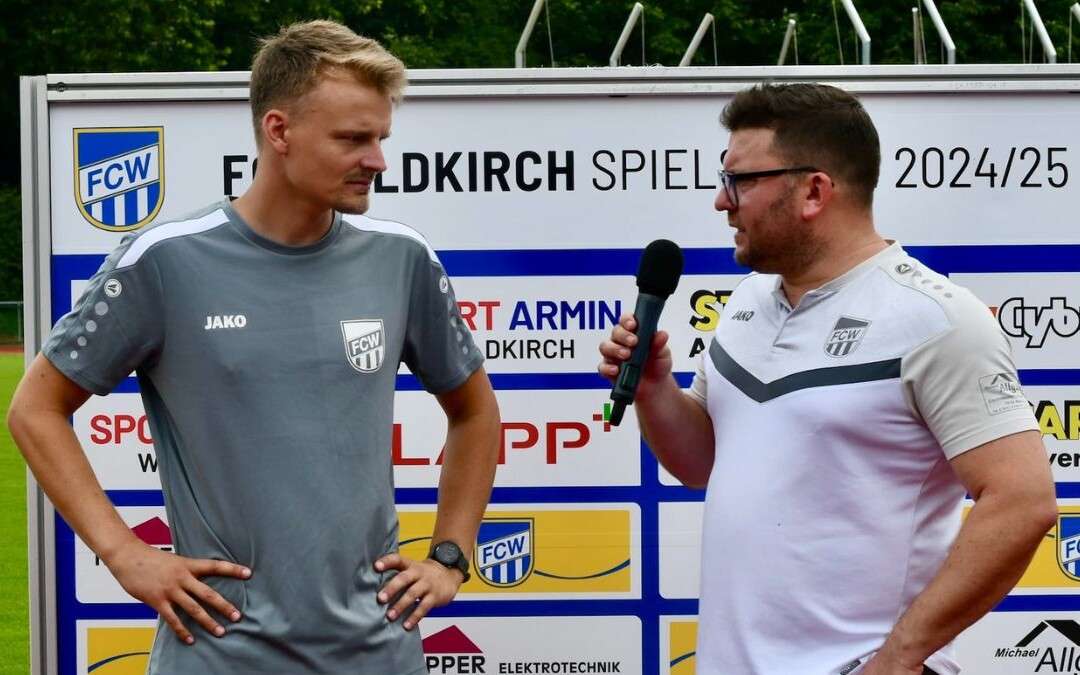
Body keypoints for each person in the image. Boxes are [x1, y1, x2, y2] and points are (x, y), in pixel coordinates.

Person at [8, 20, 500, 674]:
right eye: (354, 138)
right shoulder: (165, 259)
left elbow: (475, 411)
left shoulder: (402, 259)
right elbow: (34, 408)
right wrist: (125, 553)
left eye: (381, 137)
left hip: (378, 653)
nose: (378, 159)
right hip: (219, 654)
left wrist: (448, 556)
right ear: (278, 131)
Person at [598, 83, 1056, 675]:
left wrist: (899, 658)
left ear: (814, 190)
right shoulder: (745, 301)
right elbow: (700, 464)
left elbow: (1023, 501)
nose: (721, 201)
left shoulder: (938, 319)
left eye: (741, 180)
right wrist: (656, 387)